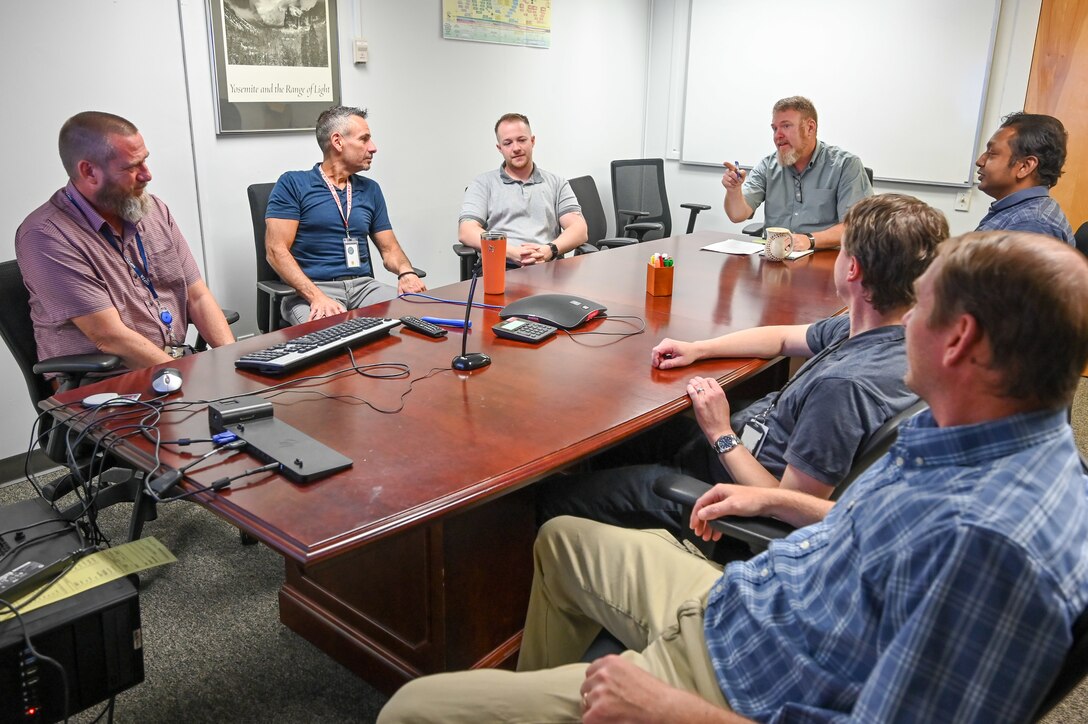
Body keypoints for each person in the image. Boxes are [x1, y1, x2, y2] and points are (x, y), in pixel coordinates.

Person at [379, 230, 1088, 723]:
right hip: (753, 607)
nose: (901, 324)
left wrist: (667, 712)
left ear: (959, 338)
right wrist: (773, 497)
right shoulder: (977, 437)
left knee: (412, 710)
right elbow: (873, 533)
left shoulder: (991, 548)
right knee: (564, 538)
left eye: (922, 306)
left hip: (738, 687)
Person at [537, 194, 946, 538]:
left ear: (852, 268)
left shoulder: (844, 388)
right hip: (742, 444)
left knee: (554, 498)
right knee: (624, 440)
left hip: (724, 496)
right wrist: (699, 348)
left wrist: (721, 433)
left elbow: (787, 507)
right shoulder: (886, 332)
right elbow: (783, 338)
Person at [15, 111, 234, 370]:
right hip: (103, 384)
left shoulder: (154, 210)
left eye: (145, 161)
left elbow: (197, 296)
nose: (147, 175)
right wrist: (186, 378)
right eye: (131, 167)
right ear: (89, 172)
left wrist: (234, 362)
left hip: (170, 366)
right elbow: (109, 337)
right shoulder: (46, 235)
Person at [265, 106, 426, 326]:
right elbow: (276, 251)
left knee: (418, 316)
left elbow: (390, 250)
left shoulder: (371, 190)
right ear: (338, 142)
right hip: (313, 289)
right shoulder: (293, 184)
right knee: (330, 339)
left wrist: (406, 273)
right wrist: (317, 297)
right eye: (364, 139)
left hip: (364, 287)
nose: (373, 148)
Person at [722, 96, 872, 251]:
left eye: (786, 126)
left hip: (823, 259)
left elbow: (855, 226)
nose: (777, 135)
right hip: (775, 259)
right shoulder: (768, 165)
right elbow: (737, 215)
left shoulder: (845, 165)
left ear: (810, 128)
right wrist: (734, 191)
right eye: (774, 128)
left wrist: (810, 240)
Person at [458, 113, 588, 266]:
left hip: (548, 267)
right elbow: (466, 231)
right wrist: (512, 252)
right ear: (499, 148)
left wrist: (549, 250)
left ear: (532, 141)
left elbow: (579, 229)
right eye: (508, 143)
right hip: (500, 268)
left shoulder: (557, 183)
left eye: (521, 140)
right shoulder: (482, 184)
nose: (516, 148)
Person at [974, 112, 1075, 244]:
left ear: (1025, 166)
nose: (980, 161)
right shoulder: (1019, 213)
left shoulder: (1032, 224)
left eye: (992, 153)